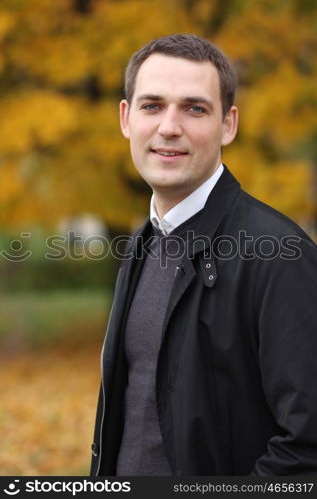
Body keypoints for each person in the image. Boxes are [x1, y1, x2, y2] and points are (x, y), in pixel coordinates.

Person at [90, 34, 317, 476]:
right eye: (152, 106)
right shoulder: (143, 244)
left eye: (195, 108)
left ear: (228, 125)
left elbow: (308, 449)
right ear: (126, 117)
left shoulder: (280, 256)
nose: (169, 127)